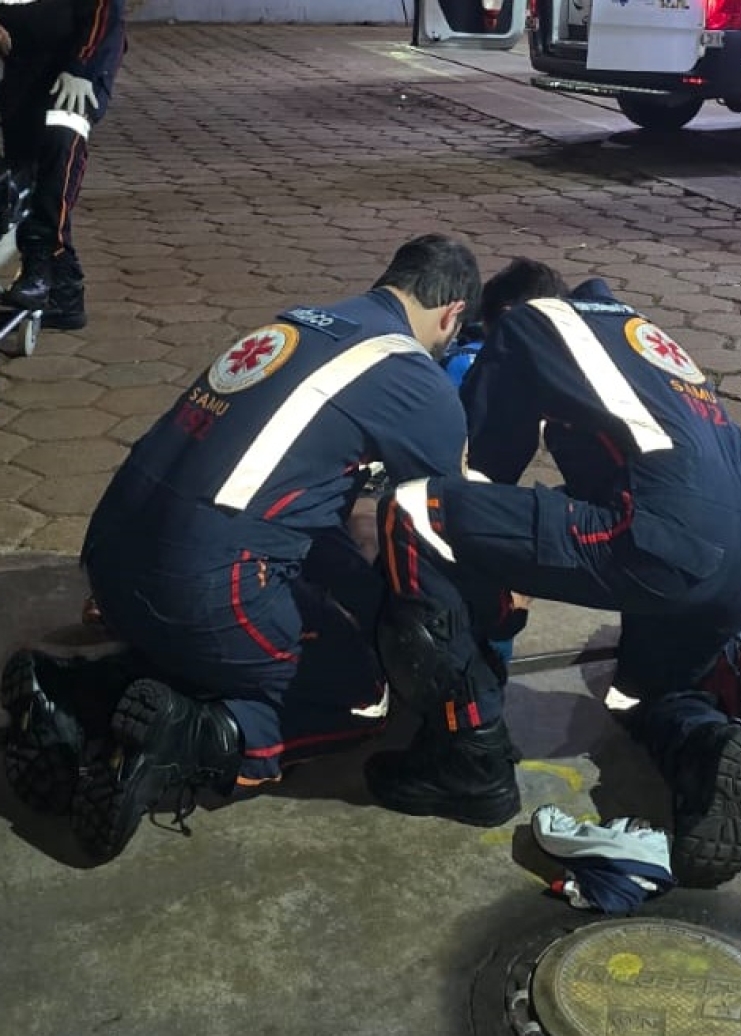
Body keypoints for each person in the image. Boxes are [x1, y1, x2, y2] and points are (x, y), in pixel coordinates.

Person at [1, 233, 481, 861]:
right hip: (199, 588)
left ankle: (80, 694)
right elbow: (450, 521)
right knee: (361, 696)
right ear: (452, 315)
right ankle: (193, 739)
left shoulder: (303, 323)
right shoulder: (415, 377)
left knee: (239, 623)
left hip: (110, 559)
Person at [365, 257, 741, 888]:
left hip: (662, 542)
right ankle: (706, 748)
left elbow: (478, 469)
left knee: (414, 509)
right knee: (645, 697)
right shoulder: (638, 337)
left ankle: (465, 754)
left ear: (500, 315)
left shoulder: (528, 323)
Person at [0, 0, 126, 330]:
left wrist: (83, 68)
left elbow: (104, 10)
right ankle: (63, 292)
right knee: (21, 164)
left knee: (59, 147)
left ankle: (41, 267)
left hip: (82, 60)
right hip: (23, 56)